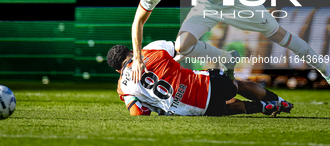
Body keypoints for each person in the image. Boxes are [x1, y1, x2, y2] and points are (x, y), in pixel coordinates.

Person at [130, 0, 330, 85]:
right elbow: (138, 21)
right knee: (183, 45)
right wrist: (138, 58)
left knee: (279, 36)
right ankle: (228, 59)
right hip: (207, 4)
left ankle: (324, 68)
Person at [107, 40, 294, 116]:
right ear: (131, 51)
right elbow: (183, 47)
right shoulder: (152, 48)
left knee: (224, 107)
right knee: (238, 86)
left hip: (188, 106)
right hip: (206, 82)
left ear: (117, 70)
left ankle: (263, 107)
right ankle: (278, 100)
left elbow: (138, 113)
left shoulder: (122, 87)